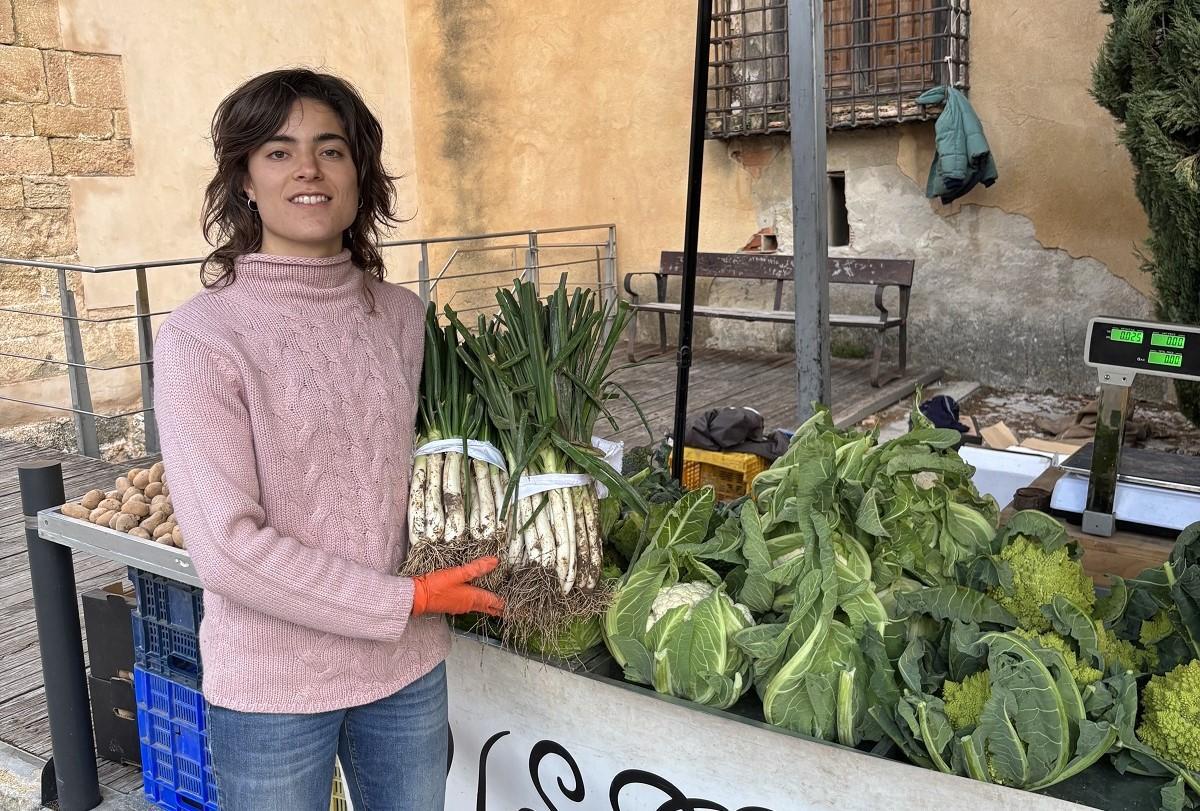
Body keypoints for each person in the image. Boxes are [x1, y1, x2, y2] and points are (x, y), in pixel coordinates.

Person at [152, 68, 504, 811]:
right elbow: (226, 547)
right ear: (244, 179)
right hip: (274, 683)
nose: (307, 169)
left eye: (330, 150)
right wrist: (401, 597)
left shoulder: (404, 318)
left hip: (407, 666)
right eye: (278, 152)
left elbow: (424, 471)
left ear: (359, 174)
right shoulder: (200, 338)